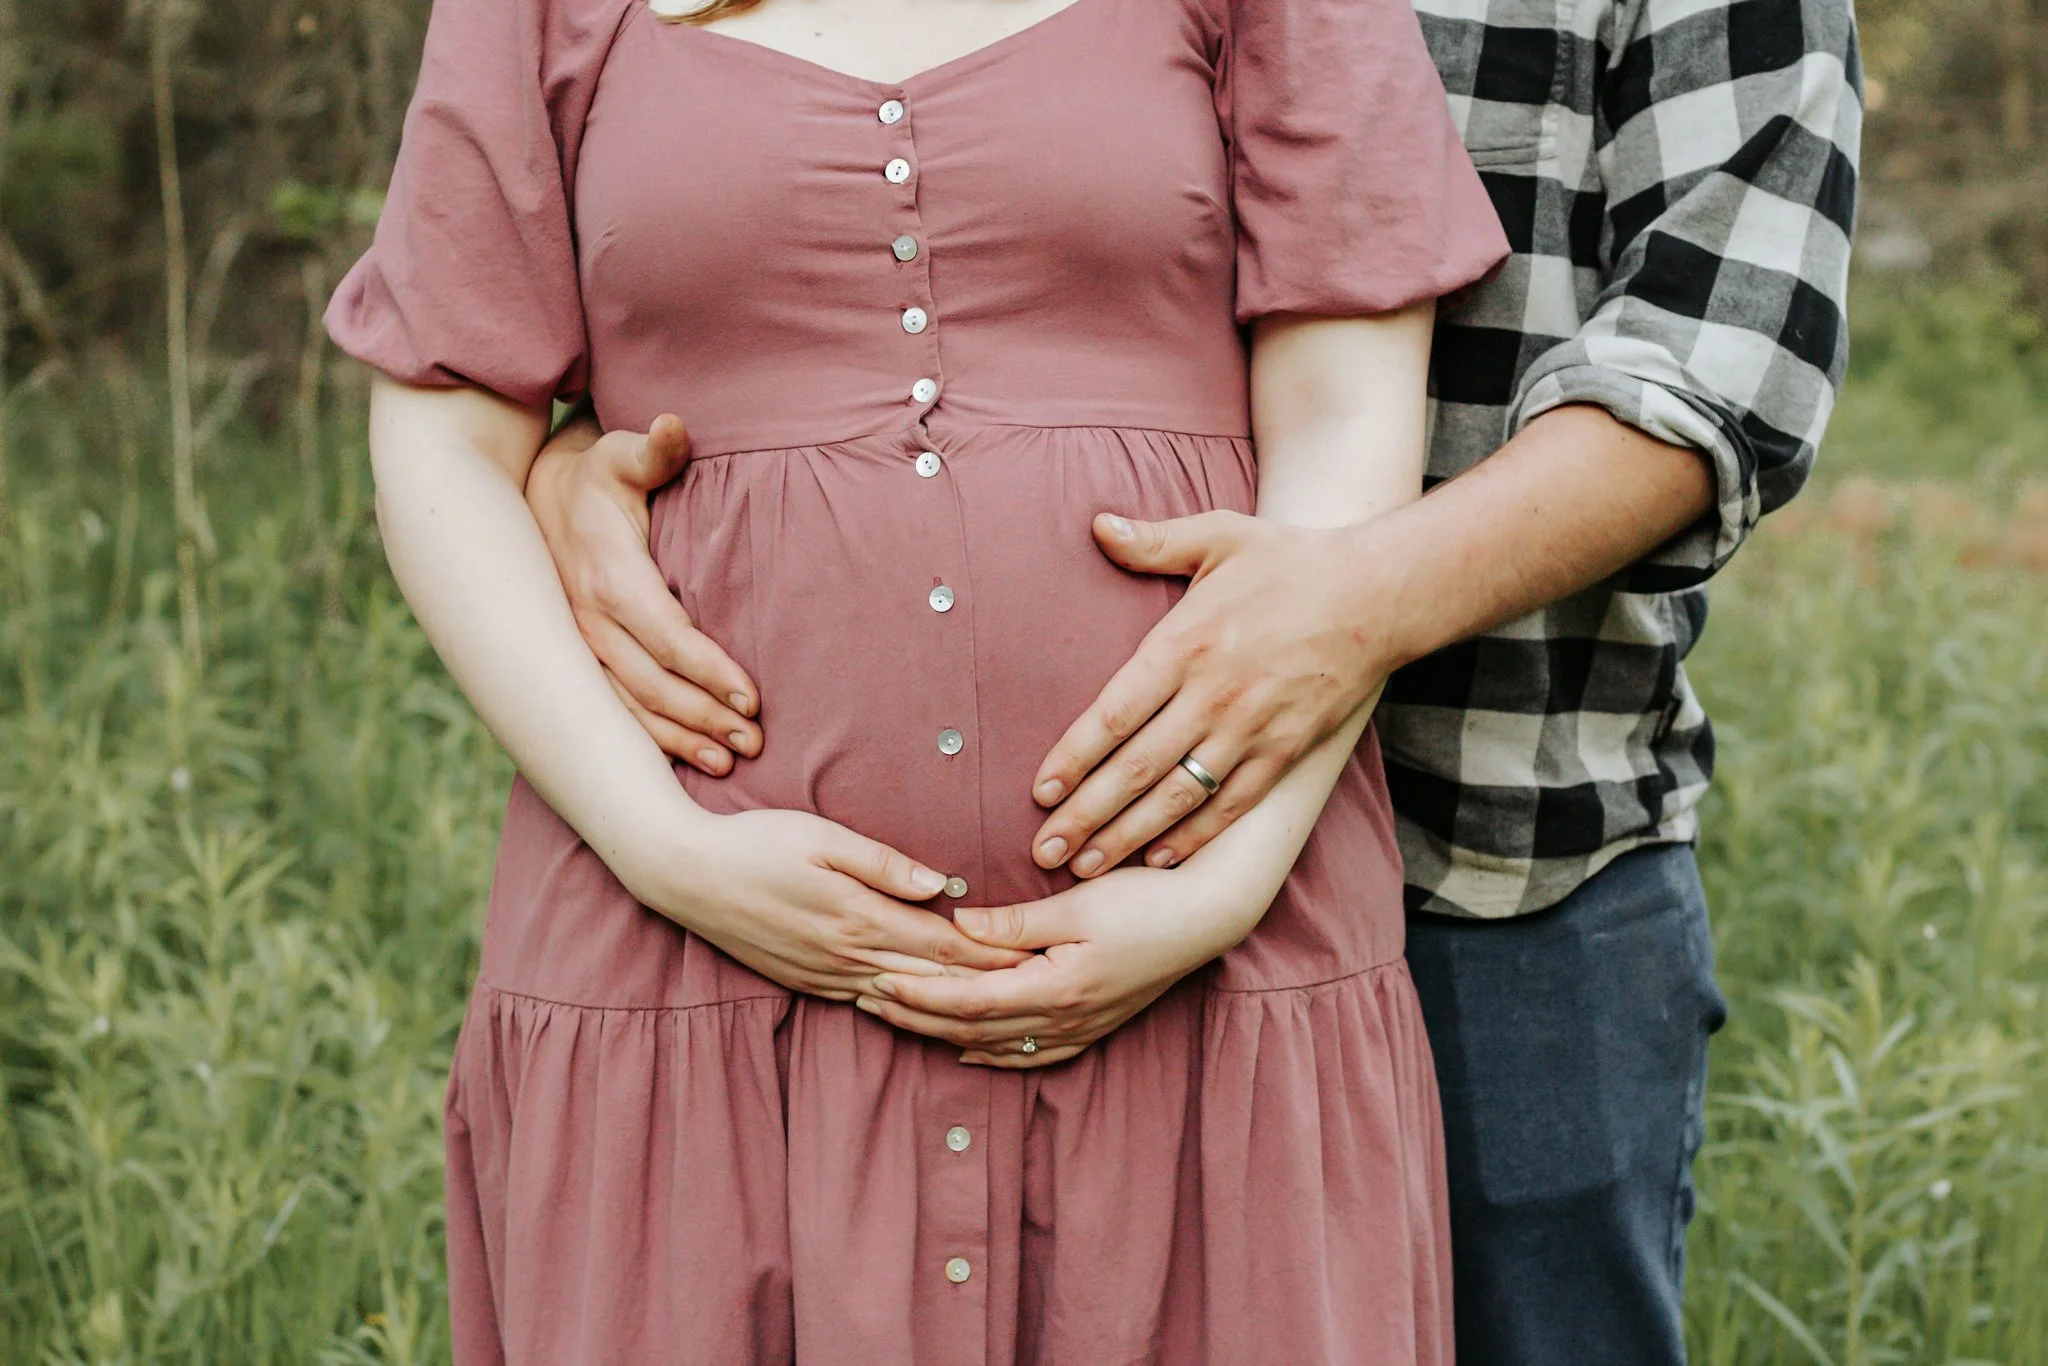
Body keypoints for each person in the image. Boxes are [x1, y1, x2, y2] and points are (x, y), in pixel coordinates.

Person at [527, 0, 1863, 1361]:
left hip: (1498, 858)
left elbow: (1713, 381)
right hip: (1042, 900)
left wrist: (1348, 612)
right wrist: (573, 458)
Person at [327, 0, 1510, 1358]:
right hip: (691, 965)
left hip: (1204, 954)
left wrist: (1220, 884)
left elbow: (1349, 413)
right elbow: (439, 436)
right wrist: (660, 846)